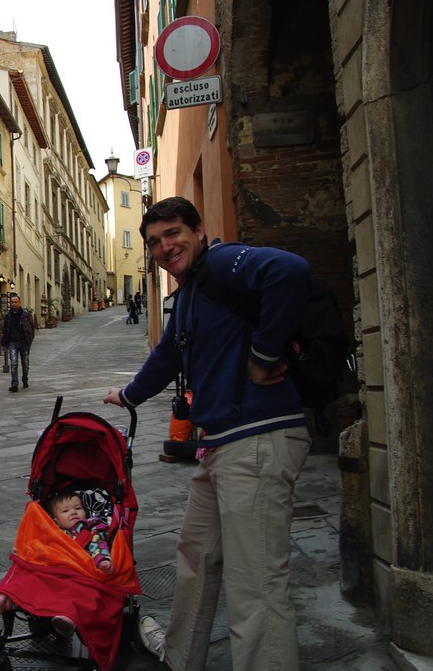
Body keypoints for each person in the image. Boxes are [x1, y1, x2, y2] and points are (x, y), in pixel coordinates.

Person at [102, 196, 312, 671]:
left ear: (199, 230)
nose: (164, 247)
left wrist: (262, 355)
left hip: (256, 438)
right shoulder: (193, 289)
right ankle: (180, 659)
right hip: (220, 445)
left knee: (255, 580)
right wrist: (131, 394)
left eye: (173, 234)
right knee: (196, 556)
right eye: (155, 242)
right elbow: (171, 355)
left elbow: (292, 271)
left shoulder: (223, 261)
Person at [0, 491, 116, 640]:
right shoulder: (52, 532)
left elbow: (99, 546)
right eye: (66, 511)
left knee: (80, 593)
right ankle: (3, 601)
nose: (73, 512)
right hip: (49, 570)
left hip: (76, 573)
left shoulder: (91, 530)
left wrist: (103, 560)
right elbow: (37, 546)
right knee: (25, 578)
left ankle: (66, 618)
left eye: (78, 508)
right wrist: (24, 549)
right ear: (56, 520)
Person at [1, 295, 35, 392]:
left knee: (25, 363)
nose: (14, 304)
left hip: (24, 342)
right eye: (12, 302)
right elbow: (5, 330)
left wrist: (30, 339)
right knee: (14, 362)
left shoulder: (26, 314)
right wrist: (4, 344)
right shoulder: (8, 315)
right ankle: (14, 384)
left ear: (19, 302)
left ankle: (25, 379)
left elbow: (32, 327)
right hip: (13, 342)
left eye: (15, 302)